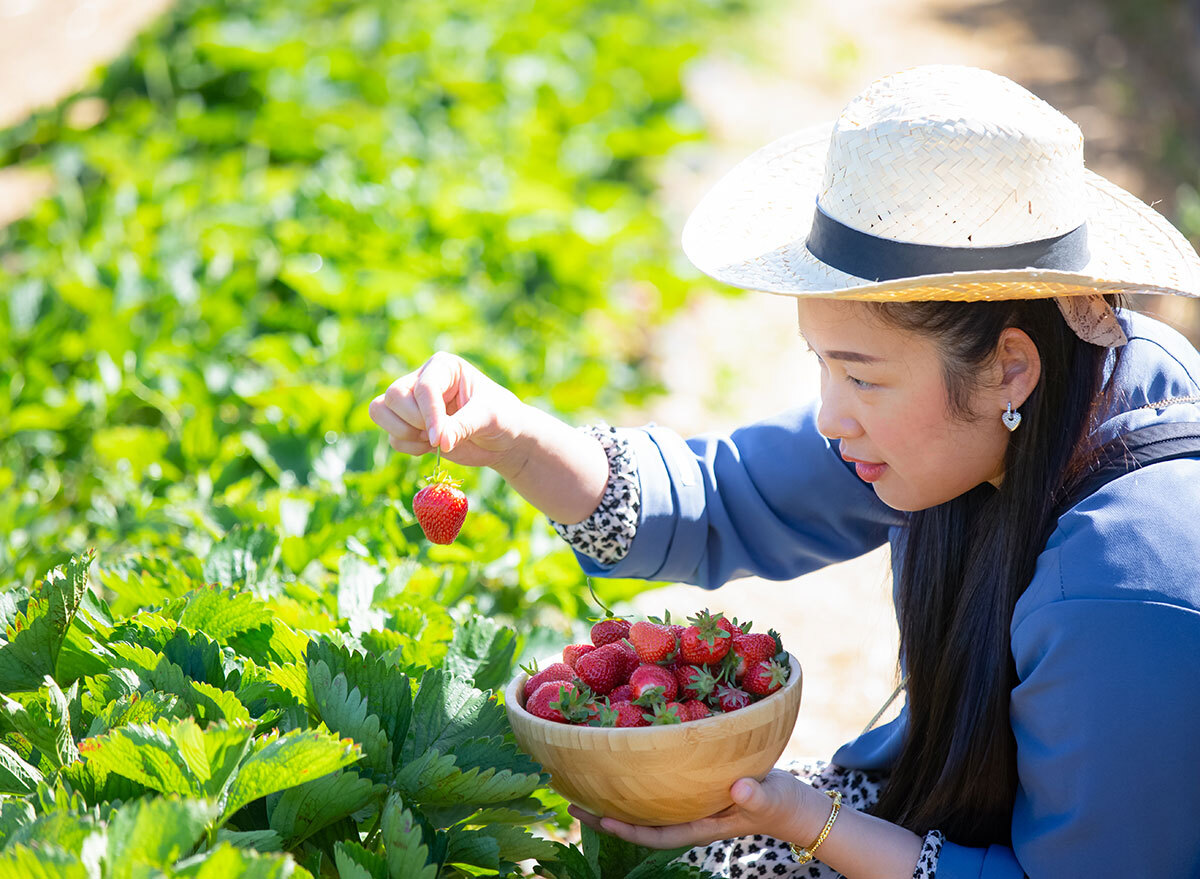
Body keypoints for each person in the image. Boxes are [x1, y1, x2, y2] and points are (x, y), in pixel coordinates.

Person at [368, 65, 1200, 878]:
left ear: (1009, 369)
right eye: (823, 365)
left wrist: (803, 819)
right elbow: (726, 498)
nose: (832, 417)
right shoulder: (1053, 383)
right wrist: (512, 436)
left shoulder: (1126, 591)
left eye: (862, 375)